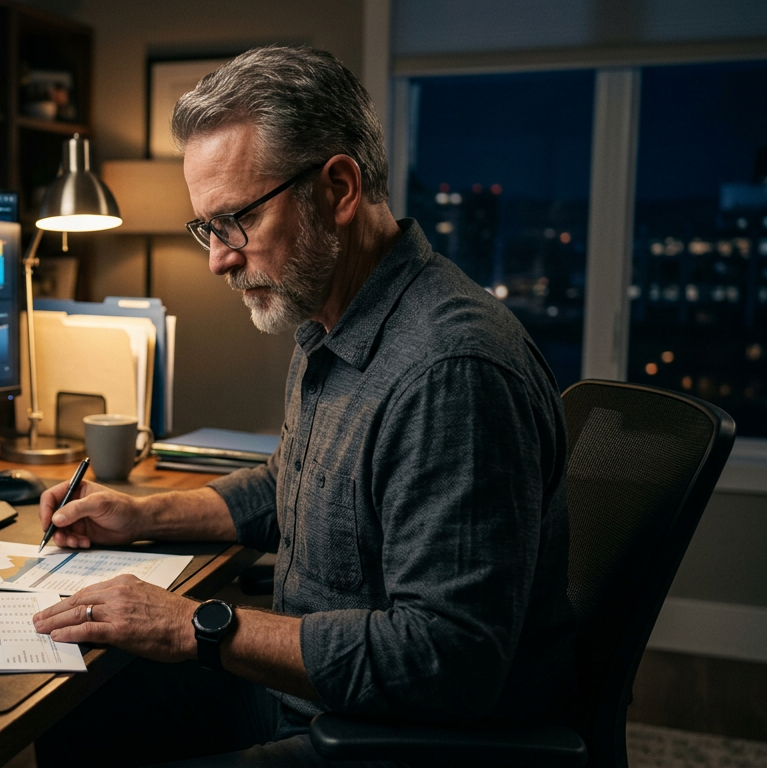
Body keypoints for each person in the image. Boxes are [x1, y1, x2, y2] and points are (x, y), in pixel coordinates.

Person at [30, 45, 578, 767]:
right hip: (313, 694)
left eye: (235, 222)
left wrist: (192, 625)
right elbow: (293, 483)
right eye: (207, 228)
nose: (218, 259)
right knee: (81, 716)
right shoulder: (331, 317)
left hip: (393, 738)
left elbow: (448, 661)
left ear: (338, 188)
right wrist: (140, 515)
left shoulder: (450, 371)